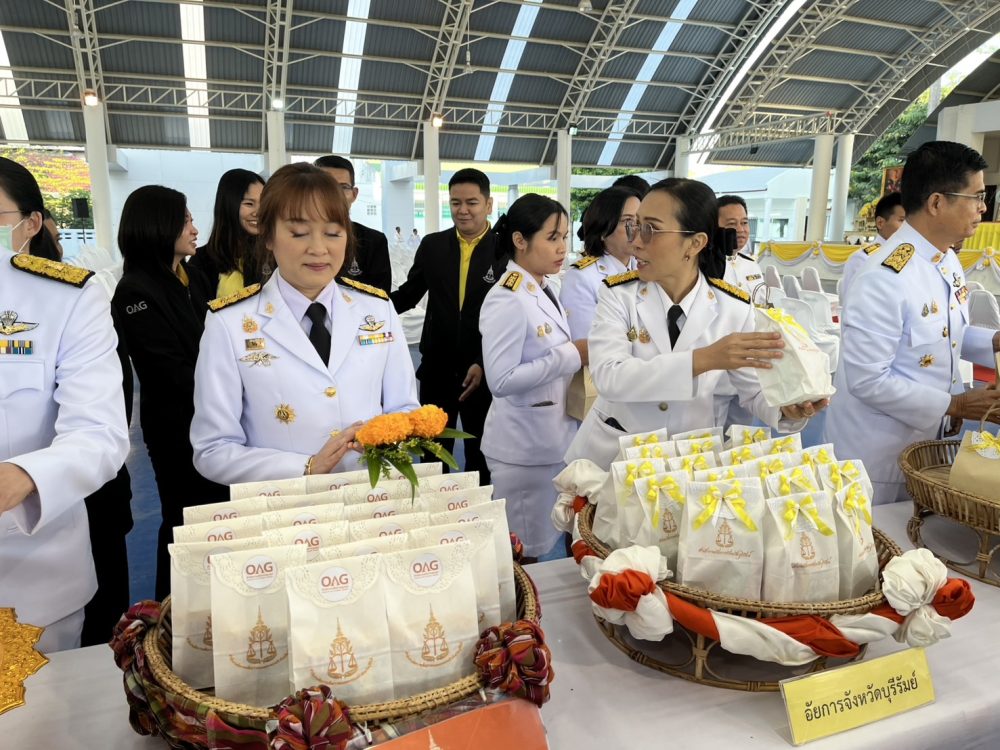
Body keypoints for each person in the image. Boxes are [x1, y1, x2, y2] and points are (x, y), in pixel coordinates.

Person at [565, 178, 826, 467]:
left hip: (689, 459)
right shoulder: (618, 295)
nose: (636, 241)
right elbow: (610, 377)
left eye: (650, 229)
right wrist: (703, 359)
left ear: (695, 243)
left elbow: (753, 391)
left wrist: (787, 408)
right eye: (635, 227)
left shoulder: (734, 307)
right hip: (615, 455)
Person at [191, 163, 420, 484]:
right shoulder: (230, 324)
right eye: (299, 233)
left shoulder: (378, 310)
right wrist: (306, 467)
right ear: (267, 235)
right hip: (285, 503)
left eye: (333, 233)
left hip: (371, 496)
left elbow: (405, 409)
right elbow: (213, 449)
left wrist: (384, 438)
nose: (318, 249)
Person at [824, 141, 1000, 505]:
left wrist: (992, 343)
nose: (983, 207)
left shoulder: (946, 260)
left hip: (928, 440)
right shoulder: (884, 276)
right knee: (879, 536)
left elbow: (944, 336)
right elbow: (868, 380)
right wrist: (955, 405)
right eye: (977, 197)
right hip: (878, 454)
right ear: (936, 203)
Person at [0, 156, 129, 652]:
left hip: (29, 578)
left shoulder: (67, 298)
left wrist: (21, 478)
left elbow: (100, 434)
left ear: (30, 224)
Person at [112, 185, 227, 599]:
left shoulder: (191, 277)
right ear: (159, 226)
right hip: (176, 428)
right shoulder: (136, 291)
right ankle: (168, 610)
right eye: (186, 221)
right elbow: (170, 371)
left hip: (210, 419)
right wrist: (232, 389)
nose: (195, 230)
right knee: (183, 520)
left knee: (214, 516)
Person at [34, 212, 134, 645]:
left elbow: (104, 424)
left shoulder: (76, 298)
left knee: (99, 625)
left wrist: (24, 478)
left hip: (82, 501)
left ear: (30, 223)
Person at [480, 194, 583, 560]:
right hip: (522, 450)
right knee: (521, 554)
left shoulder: (543, 286)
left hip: (550, 440)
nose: (562, 248)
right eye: (552, 237)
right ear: (520, 240)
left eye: (565, 237)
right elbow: (501, 380)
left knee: (545, 543)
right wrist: (571, 355)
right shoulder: (507, 297)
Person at [391, 169, 506, 484]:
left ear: (488, 204)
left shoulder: (505, 250)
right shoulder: (433, 245)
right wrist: (367, 308)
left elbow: (510, 318)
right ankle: (432, 504)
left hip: (481, 371)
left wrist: (483, 362)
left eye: (472, 202)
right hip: (437, 369)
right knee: (432, 452)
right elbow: (409, 294)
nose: (463, 210)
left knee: (479, 453)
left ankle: (476, 507)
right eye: (455, 203)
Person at [559, 186, 640, 342]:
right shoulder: (581, 278)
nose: (636, 229)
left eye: (640, 221)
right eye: (628, 221)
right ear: (603, 230)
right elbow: (587, 343)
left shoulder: (645, 269)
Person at [716, 194, 763, 428]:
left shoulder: (751, 265)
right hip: (716, 371)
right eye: (732, 224)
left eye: (744, 222)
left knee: (742, 434)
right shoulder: (707, 267)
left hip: (748, 366)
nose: (741, 230)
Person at [188, 169, 265, 309]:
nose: (259, 212)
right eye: (249, 204)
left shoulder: (274, 256)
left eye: (264, 204)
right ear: (229, 205)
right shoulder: (201, 261)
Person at [314, 155, 391, 293]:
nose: (335, 194)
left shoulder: (373, 242)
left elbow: (379, 298)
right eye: (326, 186)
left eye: (343, 187)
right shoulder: (293, 239)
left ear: (354, 194)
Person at [840, 191, 905, 303]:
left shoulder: (912, 256)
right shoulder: (863, 259)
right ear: (880, 223)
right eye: (902, 220)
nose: (907, 227)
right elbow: (849, 302)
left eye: (910, 223)